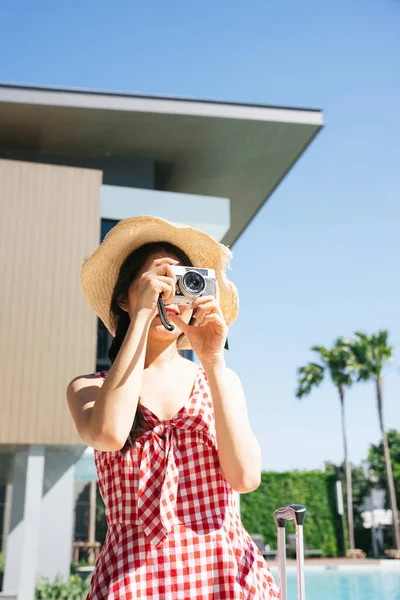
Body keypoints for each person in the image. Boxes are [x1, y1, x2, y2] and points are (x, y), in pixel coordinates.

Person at [67, 215, 279, 599]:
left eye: (181, 281)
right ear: (123, 297)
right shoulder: (89, 387)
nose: (169, 293)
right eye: (158, 280)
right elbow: (109, 434)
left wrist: (213, 358)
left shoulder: (220, 380)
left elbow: (245, 478)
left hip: (226, 574)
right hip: (135, 581)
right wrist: (144, 315)